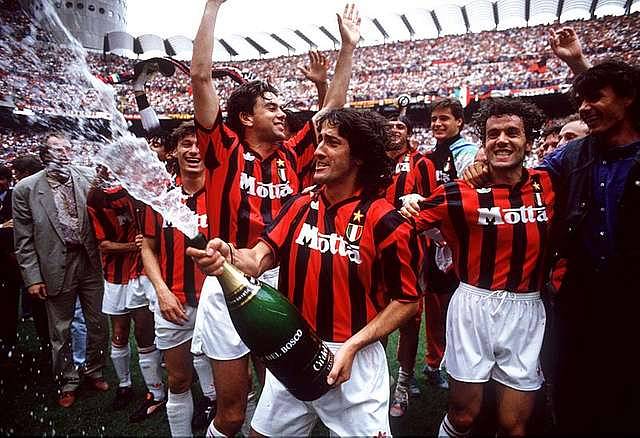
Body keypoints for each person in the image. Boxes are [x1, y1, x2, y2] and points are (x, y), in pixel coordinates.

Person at [188, 108, 421, 437]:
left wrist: (354, 345)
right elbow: (256, 259)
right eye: (320, 140)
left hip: (355, 362)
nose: (319, 151)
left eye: (332, 143)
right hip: (294, 352)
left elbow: (408, 300)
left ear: (360, 158)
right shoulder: (299, 205)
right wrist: (227, 255)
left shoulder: (386, 222)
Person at [190, 2, 360, 436]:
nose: (283, 112)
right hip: (229, 282)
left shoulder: (296, 152)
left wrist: (347, 48)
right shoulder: (223, 149)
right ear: (247, 117)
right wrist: (212, 6)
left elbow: (334, 106)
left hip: (283, 285)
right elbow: (200, 77)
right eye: (271, 106)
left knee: (277, 400)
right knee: (231, 413)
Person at [404, 98, 550, 436]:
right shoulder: (460, 192)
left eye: (513, 133)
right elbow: (400, 221)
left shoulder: (549, 183)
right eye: (493, 134)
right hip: (473, 306)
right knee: (464, 416)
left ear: (528, 141)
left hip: (526, 311)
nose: (502, 140)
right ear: (482, 143)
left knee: (514, 425)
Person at [12, 132, 108, 408]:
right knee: (61, 330)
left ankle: (95, 370)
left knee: (98, 322)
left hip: (90, 261)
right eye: (57, 150)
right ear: (44, 157)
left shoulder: (86, 176)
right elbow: (24, 239)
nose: (65, 153)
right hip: (54, 265)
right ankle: (68, 381)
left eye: (68, 148)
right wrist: (32, 278)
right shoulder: (26, 189)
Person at [141, 121, 216, 437]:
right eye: (186, 143)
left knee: (235, 384)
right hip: (174, 304)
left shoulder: (224, 192)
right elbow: (147, 245)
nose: (194, 150)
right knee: (178, 380)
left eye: (199, 143)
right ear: (173, 151)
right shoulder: (160, 196)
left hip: (219, 304)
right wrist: (161, 291)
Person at [87, 175, 165, 421]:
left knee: (144, 333)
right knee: (119, 334)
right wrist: (135, 246)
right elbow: (104, 245)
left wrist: (144, 247)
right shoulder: (95, 197)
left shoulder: (138, 186)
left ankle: (156, 392)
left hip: (141, 273)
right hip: (114, 275)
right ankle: (124, 385)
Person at [416, 98, 479, 391]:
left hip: (465, 244)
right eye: (434, 119)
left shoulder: (469, 154)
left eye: (444, 119)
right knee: (437, 308)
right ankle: (433, 363)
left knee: (464, 309)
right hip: (433, 242)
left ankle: (460, 365)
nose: (438, 124)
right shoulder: (427, 158)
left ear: (459, 122)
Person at [383, 115, 437, 417]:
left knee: (409, 319)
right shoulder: (373, 160)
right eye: (389, 126)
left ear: (409, 134)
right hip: (374, 250)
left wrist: (420, 204)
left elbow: (433, 206)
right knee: (373, 317)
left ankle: (403, 384)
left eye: (399, 126)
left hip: (411, 251)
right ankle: (377, 378)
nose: (393, 130)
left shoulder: (422, 163)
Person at [0, 165, 20, 363]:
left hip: (16, 260)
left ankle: (10, 341)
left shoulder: (16, 196)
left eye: (2, 178)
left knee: (12, 302)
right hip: (4, 259)